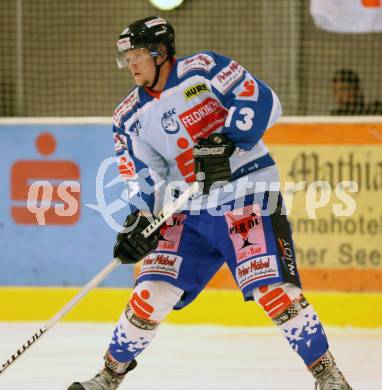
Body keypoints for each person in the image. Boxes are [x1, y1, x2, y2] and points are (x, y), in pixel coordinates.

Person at [68, 16, 352, 390]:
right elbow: (143, 174)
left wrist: (228, 138)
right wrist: (139, 220)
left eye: (137, 55)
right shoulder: (127, 117)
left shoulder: (203, 69)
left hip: (246, 194)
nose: (132, 65)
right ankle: (108, 376)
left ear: (160, 52)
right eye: (127, 58)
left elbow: (261, 98)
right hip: (184, 210)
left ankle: (329, 376)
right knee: (150, 294)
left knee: (273, 291)